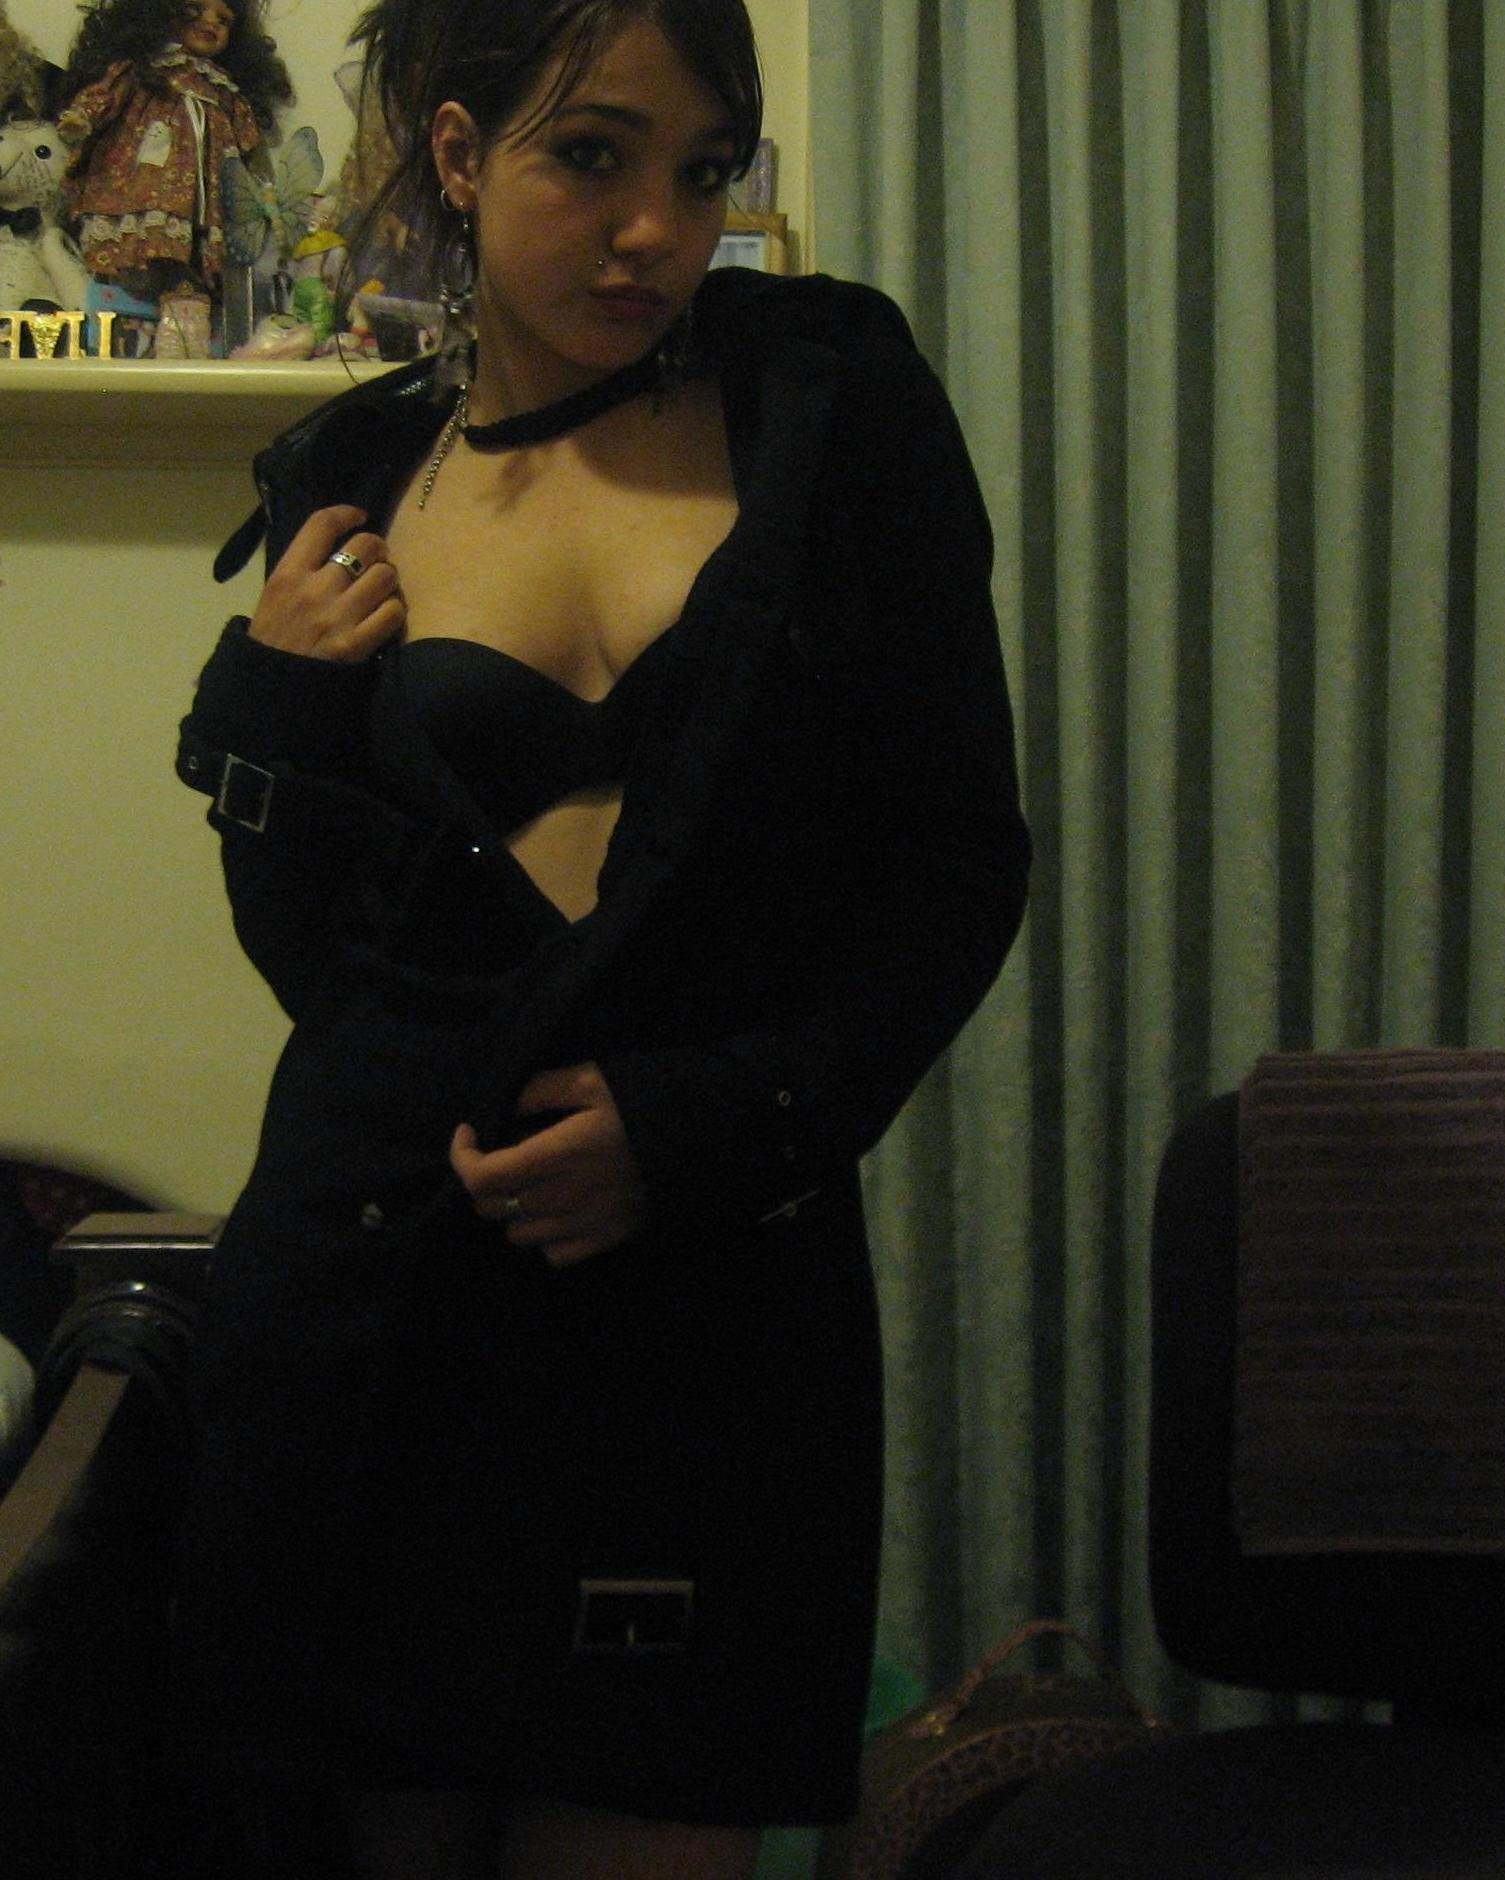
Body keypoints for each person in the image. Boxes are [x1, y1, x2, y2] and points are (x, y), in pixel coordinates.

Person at [170, 1, 1031, 1875]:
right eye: (590, 156)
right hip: (372, 1319)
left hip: (700, 1321)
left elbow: (960, 860)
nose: (657, 228)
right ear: (461, 156)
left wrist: (719, 1124)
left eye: (703, 171)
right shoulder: (357, 467)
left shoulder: (831, 403)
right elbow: (323, 964)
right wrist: (275, 707)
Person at [57, 0, 291, 306]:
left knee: (196, 254)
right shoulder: (147, 69)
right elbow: (107, 94)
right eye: (195, 10)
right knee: (148, 230)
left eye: (223, 20)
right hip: (148, 178)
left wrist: (260, 189)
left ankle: (184, 295)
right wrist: (82, 117)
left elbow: (247, 142)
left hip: (203, 195)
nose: (210, 22)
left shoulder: (223, 90)